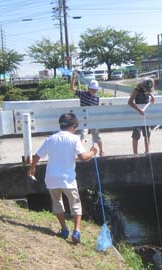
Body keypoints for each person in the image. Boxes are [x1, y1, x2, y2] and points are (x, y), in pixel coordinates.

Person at [27, 113, 97, 244]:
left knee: (57, 203)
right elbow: (83, 157)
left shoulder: (51, 139)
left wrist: (32, 168)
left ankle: (64, 229)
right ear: (73, 126)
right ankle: (76, 231)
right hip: (68, 179)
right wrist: (93, 152)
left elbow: (37, 156)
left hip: (52, 178)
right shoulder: (74, 139)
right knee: (75, 204)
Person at [70, 70, 105, 156]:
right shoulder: (82, 94)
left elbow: (96, 109)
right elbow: (72, 89)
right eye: (92, 89)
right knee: (83, 135)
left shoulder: (97, 98)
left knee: (97, 137)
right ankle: (81, 153)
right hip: (84, 119)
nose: (94, 91)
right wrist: (73, 78)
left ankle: (101, 151)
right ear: (89, 88)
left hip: (93, 120)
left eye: (95, 90)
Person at [128, 77, 155, 154]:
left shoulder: (148, 88)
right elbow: (130, 102)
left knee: (147, 133)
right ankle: (135, 153)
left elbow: (149, 92)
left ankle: (147, 151)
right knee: (136, 134)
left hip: (145, 113)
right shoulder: (137, 89)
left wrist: (152, 96)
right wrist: (139, 110)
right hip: (137, 113)